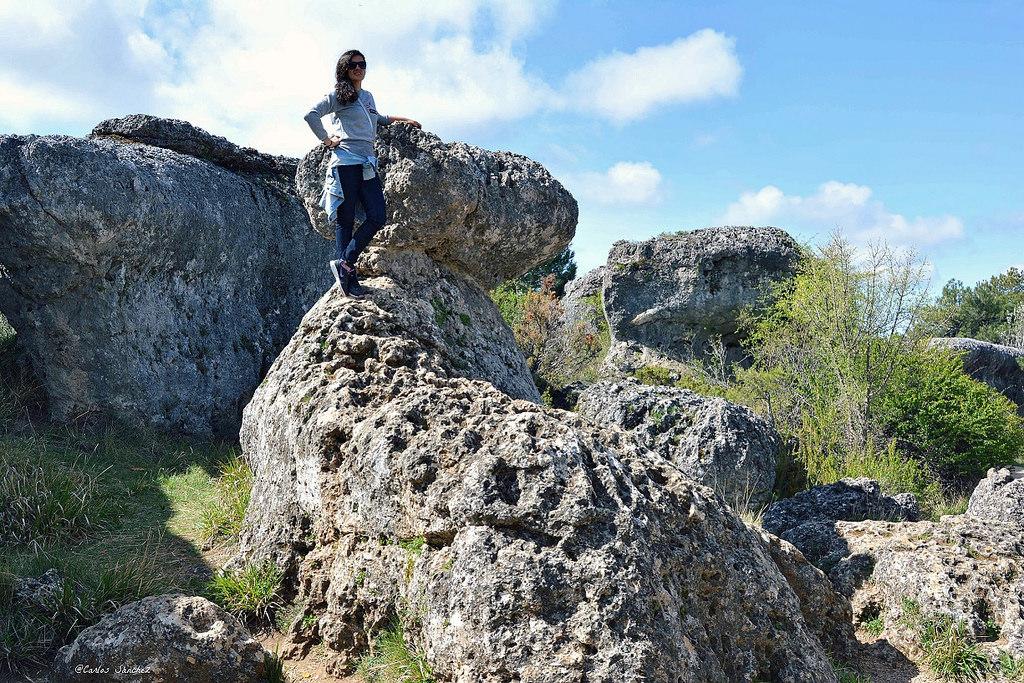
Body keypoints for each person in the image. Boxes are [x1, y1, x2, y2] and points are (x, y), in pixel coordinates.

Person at [304, 49, 420, 297]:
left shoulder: (367, 96)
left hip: (367, 164)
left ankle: (344, 262)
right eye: (354, 65)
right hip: (345, 163)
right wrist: (327, 140)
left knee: (377, 215)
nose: (359, 68)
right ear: (345, 68)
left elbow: (379, 118)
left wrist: (405, 119)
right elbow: (311, 115)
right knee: (345, 221)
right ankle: (348, 279)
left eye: (362, 64)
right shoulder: (338, 95)